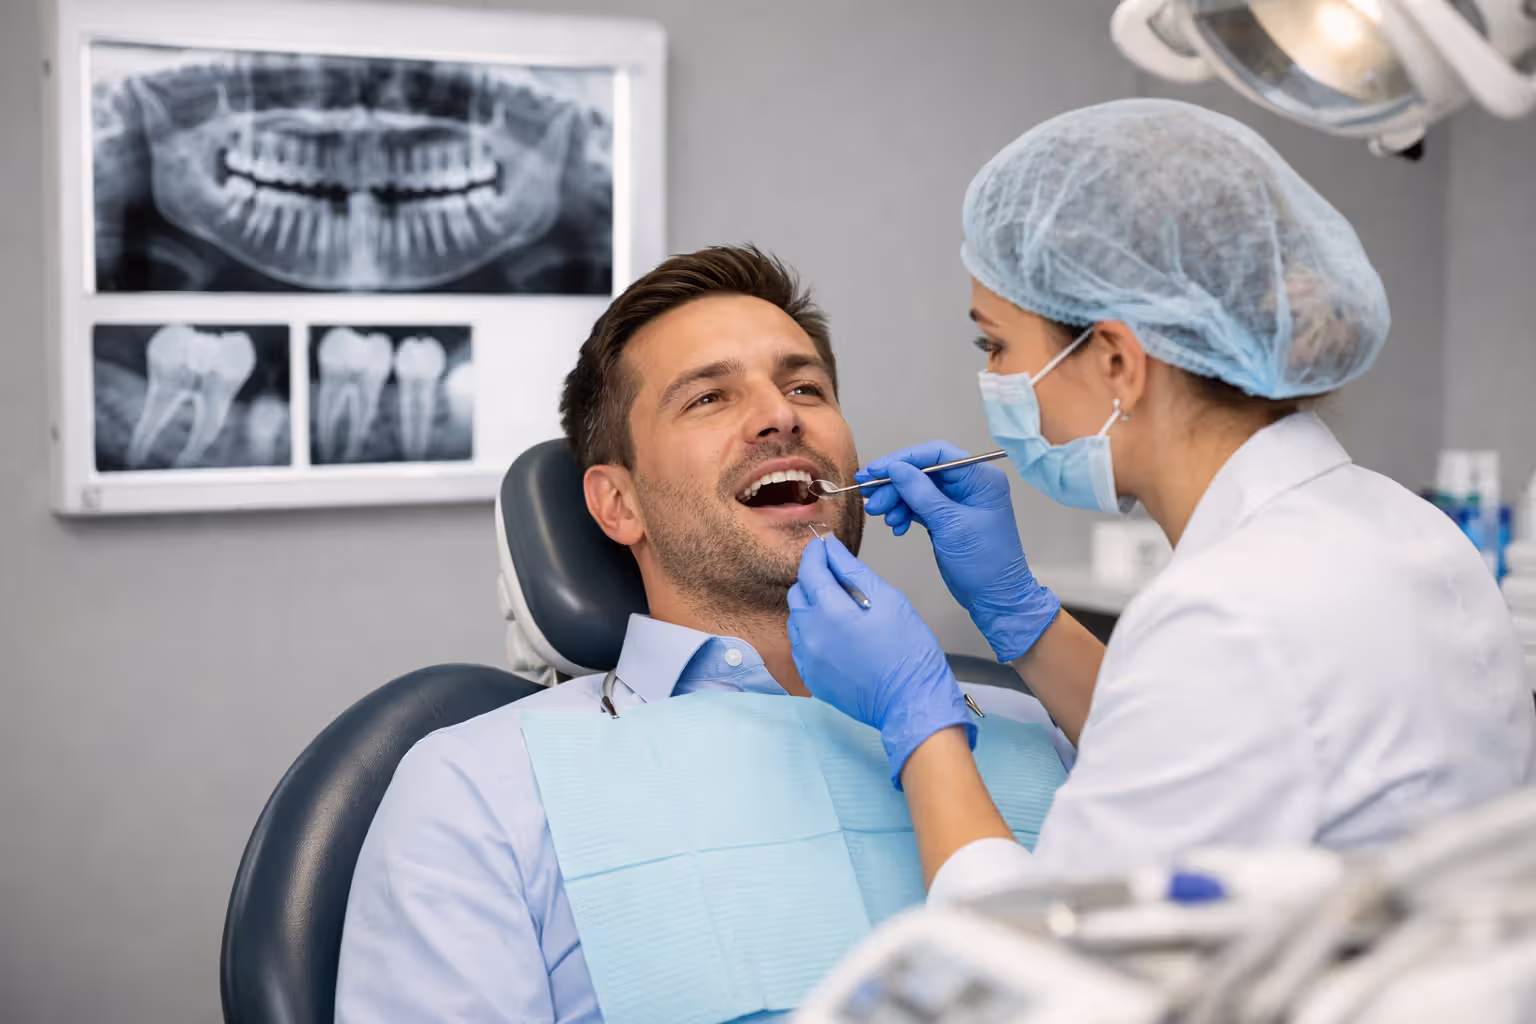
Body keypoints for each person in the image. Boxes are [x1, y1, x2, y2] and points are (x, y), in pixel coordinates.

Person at [786, 98, 1536, 904]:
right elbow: (1198, 737)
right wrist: (1022, 614)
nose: (995, 380)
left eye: (996, 344)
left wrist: (918, 721)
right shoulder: (1402, 529)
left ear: (1115, 362)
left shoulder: (1232, 616)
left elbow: (1041, 972)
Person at [334, 245, 1070, 1023]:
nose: (781, 415)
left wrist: (1026, 617)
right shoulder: (478, 789)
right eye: (709, 399)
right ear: (619, 505)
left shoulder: (1036, 727)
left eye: (804, 386)